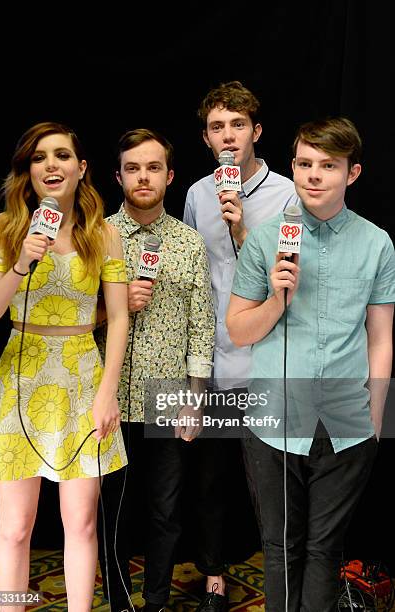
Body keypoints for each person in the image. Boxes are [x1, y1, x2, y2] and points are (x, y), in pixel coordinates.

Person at [226, 117, 395, 611]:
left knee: (324, 550)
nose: (313, 175)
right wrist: (278, 300)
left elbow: (380, 336)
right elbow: (239, 331)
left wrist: (376, 413)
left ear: (353, 173)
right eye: (304, 164)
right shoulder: (264, 240)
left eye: (328, 165)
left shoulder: (376, 243)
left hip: (347, 421)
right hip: (273, 418)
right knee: (280, 550)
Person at [0, 121, 129, 612]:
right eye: (39, 158)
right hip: (19, 378)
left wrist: (108, 393)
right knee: (15, 527)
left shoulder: (103, 234)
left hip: (83, 378)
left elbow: (121, 318)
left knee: (80, 524)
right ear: (29, 172)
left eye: (62, 156)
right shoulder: (5, 229)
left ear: (81, 169)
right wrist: (20, 262)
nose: (50, 165)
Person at [182, 80, 299, 611]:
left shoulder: (288, 194)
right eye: (215, 127)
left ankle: (284, 581)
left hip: (269, 358)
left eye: (236, 125)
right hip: (212, 361)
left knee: (270, 484)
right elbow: (190, 275)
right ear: (206, 139)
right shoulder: (196, 194)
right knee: (210, 482)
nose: (227, 135)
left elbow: (295, 273)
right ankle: (213, 576)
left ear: (255, 131)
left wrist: (244, 231)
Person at [96, 128, 215, 612]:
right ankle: (120, 602)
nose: (142, 177)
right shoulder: (97, 235)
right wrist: (115, 307)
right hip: (108, 393)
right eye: (132, 168)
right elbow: (74, 315)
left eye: (152, 168)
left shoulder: (188, 243)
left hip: (168, 394)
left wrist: (195, 396)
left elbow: (202, 324)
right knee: (113, 512)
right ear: (118, 176)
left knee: (165, 512)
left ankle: (157, 601)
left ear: (169, 176)